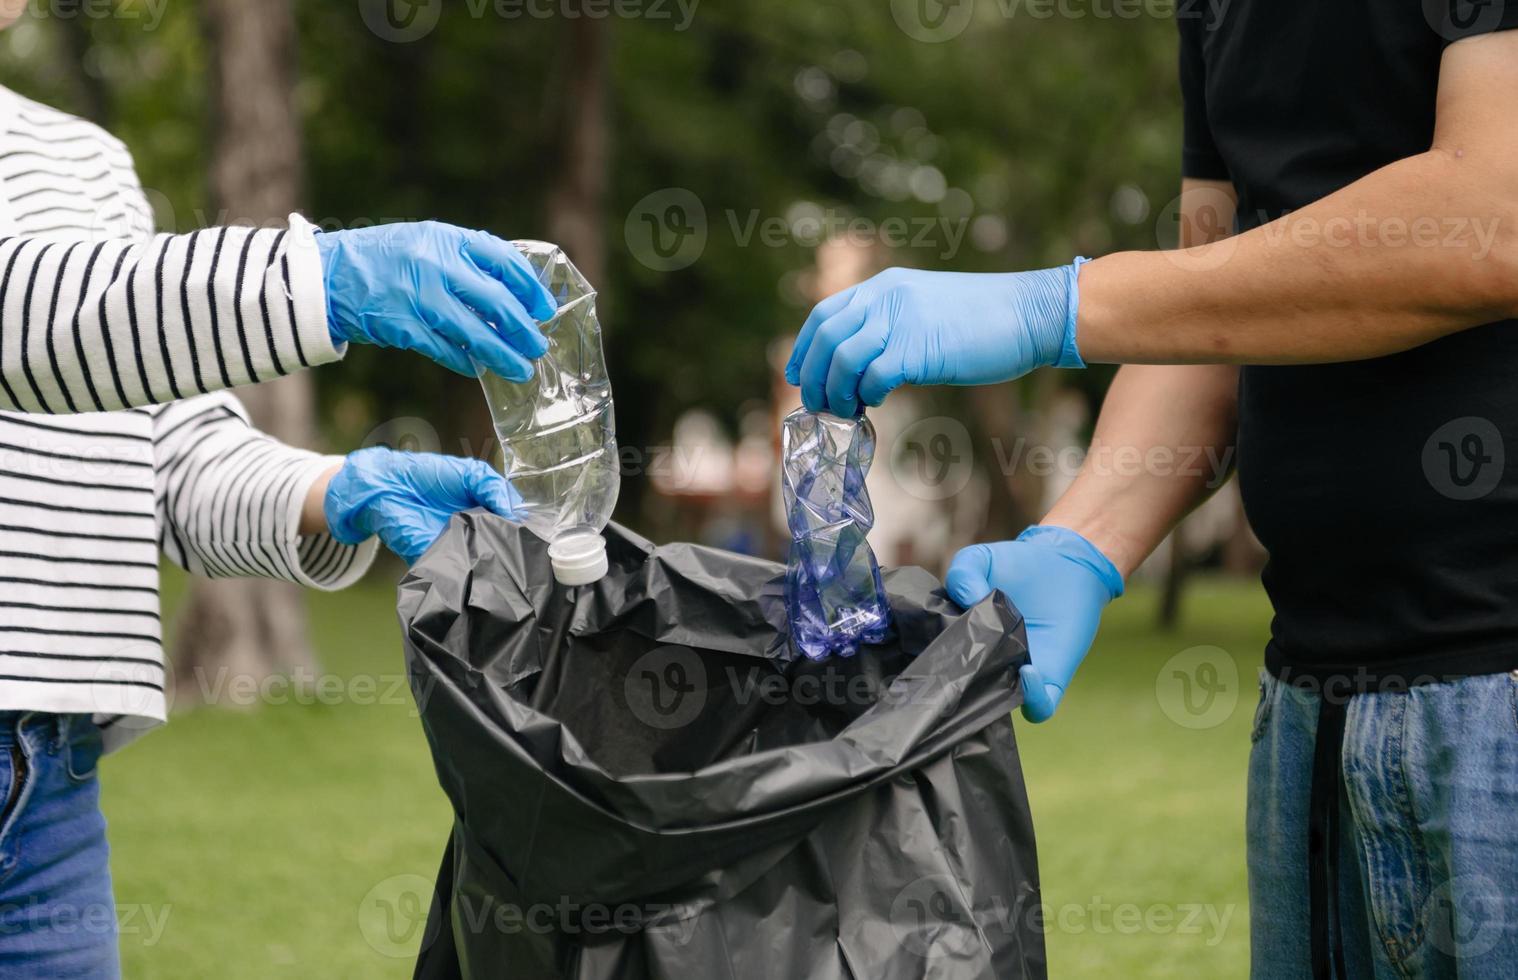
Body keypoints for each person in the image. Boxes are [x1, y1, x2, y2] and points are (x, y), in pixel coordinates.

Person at [789, 7, 1518, 979]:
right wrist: (1084, 540)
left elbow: (1491, 215)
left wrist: (1056, 305)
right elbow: (1218, 300)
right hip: (1313, 698)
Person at [0, 5, 557, 977]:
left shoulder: (80, 159)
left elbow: (173, 453)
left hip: (47, 781)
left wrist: (339, 485)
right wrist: (319, 278)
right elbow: (27, 320)